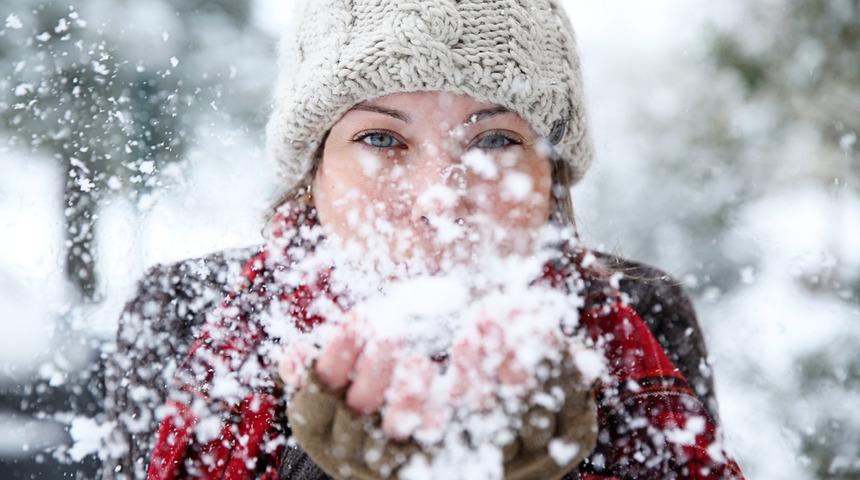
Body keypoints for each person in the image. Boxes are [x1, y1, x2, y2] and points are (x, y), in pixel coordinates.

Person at [102, 1, 744, 479]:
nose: (441, 200)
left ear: (550, 174)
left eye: (494, 140)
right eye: (382, 139)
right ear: (314, 169)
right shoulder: (184, 313)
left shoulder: (645, 314)